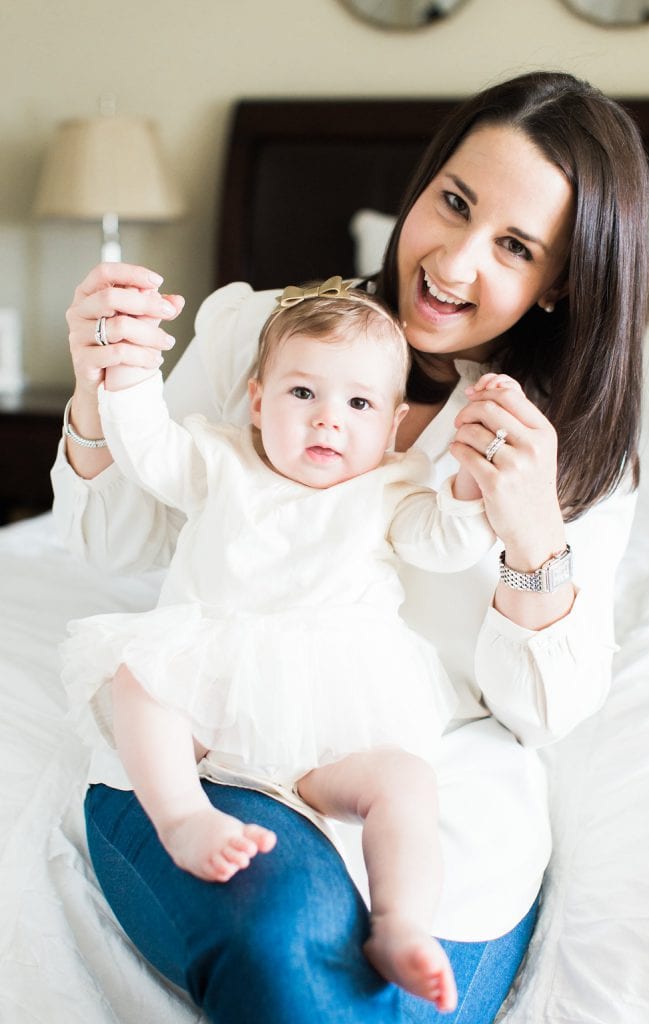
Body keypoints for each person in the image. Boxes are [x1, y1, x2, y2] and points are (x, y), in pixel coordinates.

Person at [52, 70, 649, 1024]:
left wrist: (528, 531)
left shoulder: (559, 442)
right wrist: (100, 389)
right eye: (452, 203)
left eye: (513, 246)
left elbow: (540, 715)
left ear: (561, 283)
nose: (452, 264)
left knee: (376, 985)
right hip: (221, 745)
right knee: (282, 937)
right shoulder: (267, 333)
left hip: (422, 773)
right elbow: (115, 542)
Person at [61, 283, 500, 1014]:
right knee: (138, 675)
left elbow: (449, 541)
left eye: (359, 405)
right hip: (214, 695)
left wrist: (469, 478)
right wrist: (131, 375)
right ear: (258, 401)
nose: (329, 417)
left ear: (394, 425)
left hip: (333, 724)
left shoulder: (393, 487)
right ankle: (180, 816)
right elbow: (148, 452)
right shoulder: (219, 457)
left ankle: (400, 922)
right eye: (303, 391)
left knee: (406, 783)